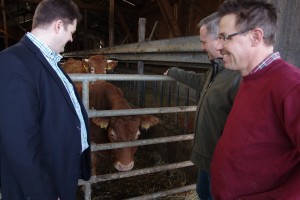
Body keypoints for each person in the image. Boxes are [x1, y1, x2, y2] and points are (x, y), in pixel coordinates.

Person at [0, 0, 91, 199]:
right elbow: (19, 145)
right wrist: (45, 194)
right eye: (71, 32)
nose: (71, 39)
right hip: (39, 187)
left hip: (58, 172)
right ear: (59, 25)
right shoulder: (12, 62)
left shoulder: (48, 61)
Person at [211, 0, 300, 199]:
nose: (218, 46)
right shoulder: (249, 79)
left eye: (225, 37)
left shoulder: (291, 86)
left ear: (255, 37)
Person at [164, 12, 241, 200]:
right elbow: (200, 81)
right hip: (207, 159)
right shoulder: (217, 69)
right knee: (202, 193)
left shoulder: (237, 75)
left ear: (218, 40)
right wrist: (174, 72)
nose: (202, 47)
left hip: (222, 165)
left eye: (203, 41)